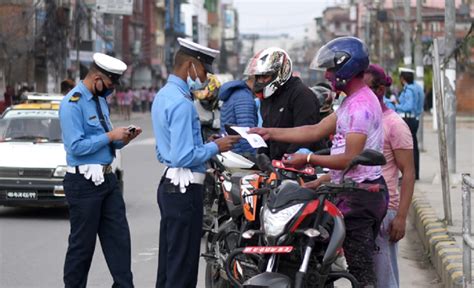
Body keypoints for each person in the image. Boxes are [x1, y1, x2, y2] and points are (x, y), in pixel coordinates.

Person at [250, 36, 388, 287]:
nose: (327, 75)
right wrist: (270, 132)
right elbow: (315, 130)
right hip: (346, 191)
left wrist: (309, 158)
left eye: (331, 69)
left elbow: (350, 159)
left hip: (359, 198)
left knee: (360, 271)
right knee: (316, 260)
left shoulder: (360, 108)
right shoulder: (350, 102)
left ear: (346, 68)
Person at [151, 37, 240, 288]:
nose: (204, 77)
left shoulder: (164, 95)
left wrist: (201, 145)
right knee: (183, 267)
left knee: (169, 264)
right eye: (203, 70)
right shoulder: (182, 104)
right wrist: (215, 147)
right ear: (190, 65)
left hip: (169, 183)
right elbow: (182, 156)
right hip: (184, 189)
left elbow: (165, 152)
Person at [59, 53, 142, 288]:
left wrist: (123, 138)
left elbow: (108, 141)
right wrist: (109, 136)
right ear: (96, 77)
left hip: (107, 179)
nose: (112, 89)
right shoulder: (72, 103)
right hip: (83, 184)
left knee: (120, 242)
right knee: (82, 248)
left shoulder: (100, 100)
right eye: (109, 83)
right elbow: (75, 146)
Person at [365, 64, 415, 287]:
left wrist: (401, 217)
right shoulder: (360, 119)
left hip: (384, 211)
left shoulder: (394, 125)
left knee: (384, 280)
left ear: (379, 91)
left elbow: (409, 172)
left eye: (364, 90)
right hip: (360, 209)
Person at [244, 47, 322, 160]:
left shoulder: (302, 95)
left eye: (265, 76)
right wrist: (260, 160)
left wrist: (285, 162)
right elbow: (267, 134)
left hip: (300, 165)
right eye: (258, 77)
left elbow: (305, 136)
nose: (260, 82)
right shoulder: (269, 97)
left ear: (280, 73)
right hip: (276, 166)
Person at [391, 67, 420, 179]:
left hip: (408, 119)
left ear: (403, 78)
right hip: (414, 119)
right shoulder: (416, 88)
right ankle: (415, 173)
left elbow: (408, 106)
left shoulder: (409, 90)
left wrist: (396, 105)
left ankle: (410, 174)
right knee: (414, 148)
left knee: (407, 148)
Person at [218, 76, 257, 154]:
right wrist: (252, 155)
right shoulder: (244, 97)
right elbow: (246, 132)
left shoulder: (234, 94)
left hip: (230, 150)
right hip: (240, 155)